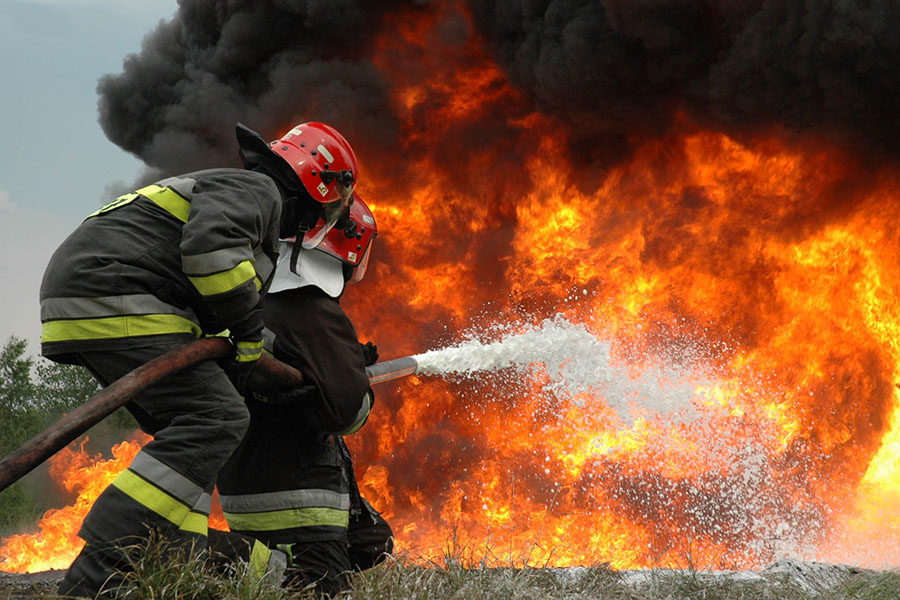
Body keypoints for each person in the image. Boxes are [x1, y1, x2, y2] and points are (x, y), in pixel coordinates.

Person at [40, 121, 360, 598]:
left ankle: (163, 554)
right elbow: (212, 257)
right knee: (217, 417)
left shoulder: (237, 193)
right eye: (332, 204)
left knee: (189, 435)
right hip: (117, 290)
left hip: (93, 295)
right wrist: (252, 337)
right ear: (317, 184)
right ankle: (100, 570)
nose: (323, 218)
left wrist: (264, 361)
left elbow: (214, 310)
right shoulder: (258, 191)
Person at [214, 192, 393, 596]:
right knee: (318, 589)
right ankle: (226, 560)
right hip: (298, 499)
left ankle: (263, 567)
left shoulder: (254, 299)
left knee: (372, 542)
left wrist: (336, 368)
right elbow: (348, 413)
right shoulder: (312, 307)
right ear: (350, 248)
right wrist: (355, 381)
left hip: (244, 487)